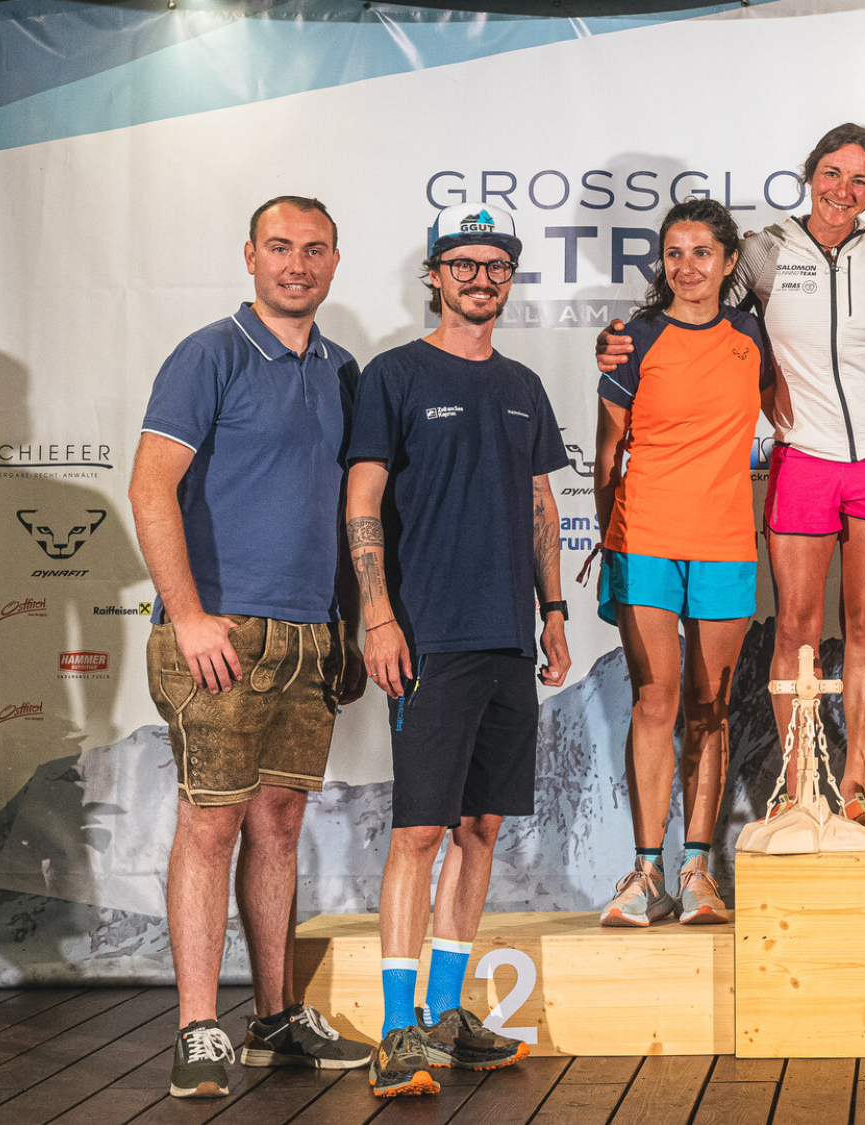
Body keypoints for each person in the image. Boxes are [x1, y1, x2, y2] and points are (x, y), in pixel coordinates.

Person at [598, 125, 865, 837]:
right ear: (809, 175)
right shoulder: (764, 250)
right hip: (803, 453)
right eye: (832, 173)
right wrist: (618, 341)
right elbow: (697, 315)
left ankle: (856, 782)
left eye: (860, 180)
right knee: (798, 630)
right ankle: (798, 781)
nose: (843, 189)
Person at [129, 196, 373, 1099]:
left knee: (278, 822)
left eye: (314, 249)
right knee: (211, 820)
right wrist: (189, 615)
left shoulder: (344, 370)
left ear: (335, 262)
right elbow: (150, 486)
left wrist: (346, 622)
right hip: (221, 631)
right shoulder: (210, 353)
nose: (296, 264)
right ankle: (199, 1027)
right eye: (280, 247)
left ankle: (274, 1020)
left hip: (310, 637)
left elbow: (349, 511)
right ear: (249, 256)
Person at [344, 203, 570, 1097]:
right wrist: (377, 612)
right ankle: (397, 1033)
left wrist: (553, 611)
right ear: (434, 274)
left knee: (479, 828)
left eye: (496, 265)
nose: (481, 278)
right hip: (428, 635)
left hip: (511, 635)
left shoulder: (521, 383)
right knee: (420, 830)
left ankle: (443, 1015)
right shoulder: (394, 375)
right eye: (463, 264)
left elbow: (540, 503)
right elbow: (362, 497)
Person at [593, 199, 770, 927]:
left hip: (726, 539)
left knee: (709, 708)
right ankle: (645, 873)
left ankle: (697, 868)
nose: (687, 266)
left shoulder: (755, 336)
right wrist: (607, 536)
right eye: (675, 252)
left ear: (730, 262)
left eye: (703, 252)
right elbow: (606, 451)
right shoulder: (630, 340)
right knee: (653, 701)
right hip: (645, 539)